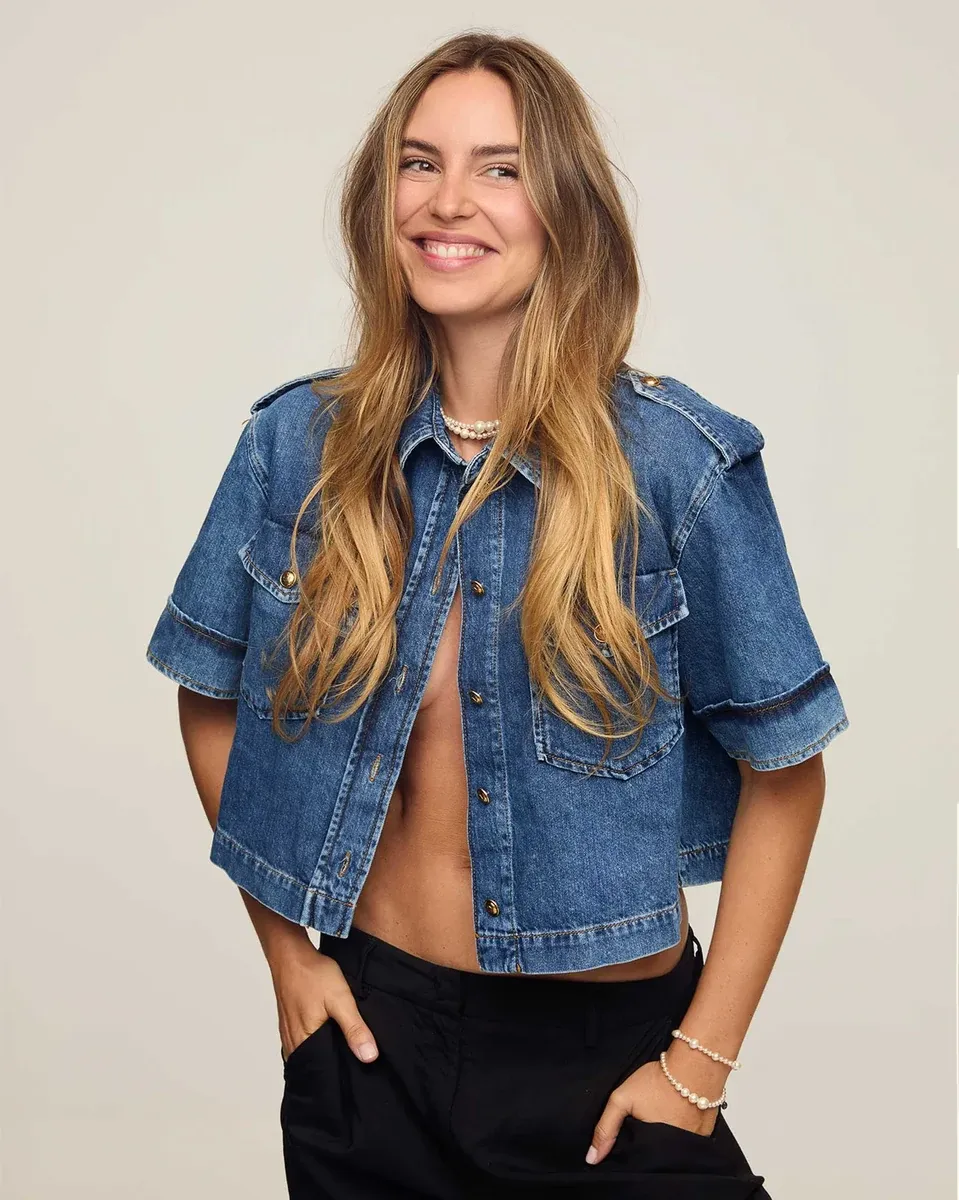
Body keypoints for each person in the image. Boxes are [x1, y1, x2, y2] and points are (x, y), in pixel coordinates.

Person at [145, 31, 849, 1199]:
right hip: (370, 1044)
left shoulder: (677, 471)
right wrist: (288, 958)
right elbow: (211, 697)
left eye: (499, 168)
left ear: (563, 208)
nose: (448, 200)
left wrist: (696, 1069)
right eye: (419, 163)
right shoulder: (295, 449)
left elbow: (786, 774)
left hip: (604, 1068)